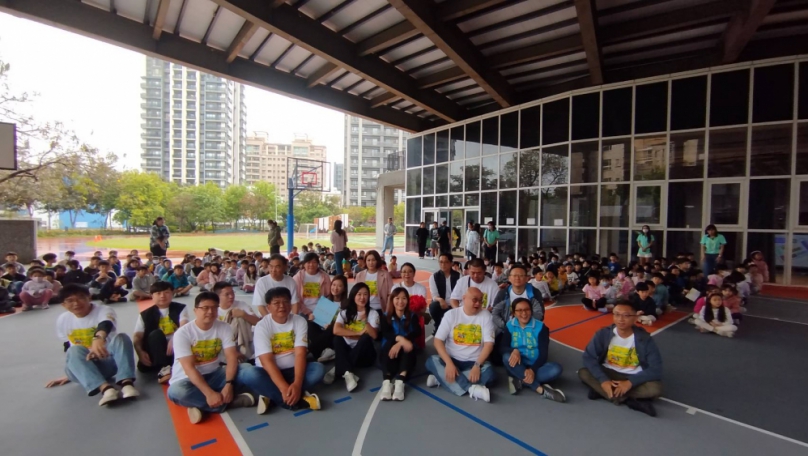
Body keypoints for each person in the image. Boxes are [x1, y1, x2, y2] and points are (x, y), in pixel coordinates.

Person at [166, 292, 256, 424]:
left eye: (214, 307)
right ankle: (233, 402)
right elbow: (189, 368)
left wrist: (228, 384)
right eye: (205, 308)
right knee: (175, 392)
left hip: (215, 374)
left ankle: (200, 405)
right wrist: (209, 393)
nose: (210, 311)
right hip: (187, 379)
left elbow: (231, 358)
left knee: (248, 369)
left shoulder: (223, 327)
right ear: (195, 310)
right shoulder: (183, 333)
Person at [45, 284, 140, 406]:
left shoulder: (103, 310)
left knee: (121, 338)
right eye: (70, 300)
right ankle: (106, 389)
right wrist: (75, 369)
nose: (76, 303)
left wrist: (99, 338)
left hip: (107, 362)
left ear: (89, 298)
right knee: (74, 350)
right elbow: (69, 347)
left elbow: (106, 323)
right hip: (85, 364)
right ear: (63, 305)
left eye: (81, 298)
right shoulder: (63, 320)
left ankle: (127, 384)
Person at [239, 287, 324, 414]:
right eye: (276, 303)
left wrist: (297, 384)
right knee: (249, 374)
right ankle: (298, 400)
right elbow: (266, 360)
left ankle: (270, 394)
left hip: (292, 370)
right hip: (268, 372)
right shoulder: (262, 326)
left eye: (285, 302)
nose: (282, 306)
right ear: (268, 307)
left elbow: (300, 354)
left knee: (318, 369)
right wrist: (284, 388)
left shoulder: (299, 321)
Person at [578, 302, 663, 417]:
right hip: (608, 372)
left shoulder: (645, 339)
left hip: (633, 376)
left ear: (635, 318)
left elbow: (656, 369)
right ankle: (628, 400)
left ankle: (604, 392)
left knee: (655, 389)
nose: (620, 319)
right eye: (616, 314)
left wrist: (630, 382)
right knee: (583, 373)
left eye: (626, 315)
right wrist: (603, 380)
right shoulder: (603, 334)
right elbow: (588, 357)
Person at [425, 288, 495, 402]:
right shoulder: (451, 315)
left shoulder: (486, 316)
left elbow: (489, 345)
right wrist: (448, 363)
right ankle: (472, 389)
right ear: (464, 299)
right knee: (431, 361)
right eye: (474, 300)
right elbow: (438, 341)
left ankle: (442, 378)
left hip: (474, 363)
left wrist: (477, 366)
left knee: (490, 374)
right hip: (451, 360)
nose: (478, 303)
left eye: (480, 301)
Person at [498, 298, 565, 401]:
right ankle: (540, 389)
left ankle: (520, 380)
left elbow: (543, 354)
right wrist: (513, 351)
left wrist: (532, 370)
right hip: (517, 365)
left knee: (556, 369)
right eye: (519, 310)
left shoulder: (540, 327)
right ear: (514, 313)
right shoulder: (510, 326)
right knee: (506, 356)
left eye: (527, 309)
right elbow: (502, 347)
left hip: (536, 367)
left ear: (531, 311)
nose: (524, 313)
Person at [133, 281, 190, 383]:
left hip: (175, 348)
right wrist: (140, 352)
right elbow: (137, 336)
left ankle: (171, 368)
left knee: (184, 336)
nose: (162, 296)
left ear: (172, 293)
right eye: (158, 293)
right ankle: (165, 368)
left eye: (166, 292)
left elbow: (184, 326)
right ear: (152, 296)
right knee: (156, 334)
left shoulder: (181, 308)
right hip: (156, 349)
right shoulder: (144, 314)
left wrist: (174, 339)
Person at [327, 283, 379, 391]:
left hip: (364, 356)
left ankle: (339, 368)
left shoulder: (373, 313)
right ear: (353, 295)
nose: (362, 297)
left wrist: (366, 322)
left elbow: (374, 335)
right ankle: (348, 373)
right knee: (337, 339)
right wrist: (358, 333)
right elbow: (336, 330)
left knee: (365, 339)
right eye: (359, 294)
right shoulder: (345, 312)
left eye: (365, 294)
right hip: (348, 350)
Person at [292, 253, 335, 362]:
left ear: (318, 263)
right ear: (304, 264)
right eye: (308, 262)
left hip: (322, 309)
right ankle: (322, 351)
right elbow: (296, 299)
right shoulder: (298, 278)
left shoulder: (324, 276)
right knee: (309, 325)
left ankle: (312, 351)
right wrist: (308, 313)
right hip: (304, 310)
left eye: (314, 262)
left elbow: (327, 296)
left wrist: (324, 313)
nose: (311, 265)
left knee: (329, 328)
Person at [379, 288, 420, 401]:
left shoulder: (412, 316)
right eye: (397, 298)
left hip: (407, 351)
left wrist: (402, 343)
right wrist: (400, 340)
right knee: (387, 346)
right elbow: (386, 334)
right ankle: (387, 382)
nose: (400, 301)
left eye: (404, 298)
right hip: (390, 351)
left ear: (407, 300)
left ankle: (400, 383)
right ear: (392, 300)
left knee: (408, 347)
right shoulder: (385, 316)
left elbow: (416, 332)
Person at [491, 264, 546, 334]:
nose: (517, 278)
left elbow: (539, 314)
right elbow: (495, 312)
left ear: (527, 278)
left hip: (528, 329)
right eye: (514, 275)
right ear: (509, 278)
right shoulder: (503, 294)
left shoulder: (534, 293)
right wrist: (505, 326)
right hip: (506, 329)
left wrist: (525, 326)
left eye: (521, 275)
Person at [428, 253, 461, 331]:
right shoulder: (434, 277)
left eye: (446, 262)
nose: (443, 264)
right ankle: (438, 325)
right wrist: (441, 300)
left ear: (451, 263)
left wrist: (454, 303)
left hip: (455, 303)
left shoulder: (459, 276)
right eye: (441, 262)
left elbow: (461, 293)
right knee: (433, 306)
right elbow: (434, 295)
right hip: (441, 303)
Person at [354, 250, 392, 314]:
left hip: (381, 309)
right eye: (368, 260)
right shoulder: (359, 275)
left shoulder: (385, 275)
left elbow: (390, 294)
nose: (371, 263)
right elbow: (355, 294)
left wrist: (387, 311)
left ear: (377, 261)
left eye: (373, 260)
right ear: (365, 261)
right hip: (364, 309)